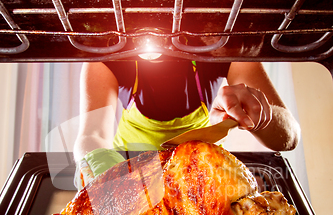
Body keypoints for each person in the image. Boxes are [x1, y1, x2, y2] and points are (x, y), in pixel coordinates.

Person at [73, 59, 300, 189]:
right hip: (132, 179)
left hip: (202, 180)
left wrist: (259, 114)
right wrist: (98, 165)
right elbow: (91, 135)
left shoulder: (222, 48)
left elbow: (289, 136)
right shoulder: (107, 58)